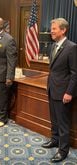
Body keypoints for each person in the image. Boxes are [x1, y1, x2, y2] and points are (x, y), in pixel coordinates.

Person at [41, 18, 77, 163]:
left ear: (63, 30)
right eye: (52, 28)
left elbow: (75, 73)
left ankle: (63, 151)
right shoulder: (53, 46)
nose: (51, 31)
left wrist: (69, 92)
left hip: (63, 92)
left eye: (54, 28)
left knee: (63, 123)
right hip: (52, 89)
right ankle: (54, 140)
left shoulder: (72, 47)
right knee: (54, 120)